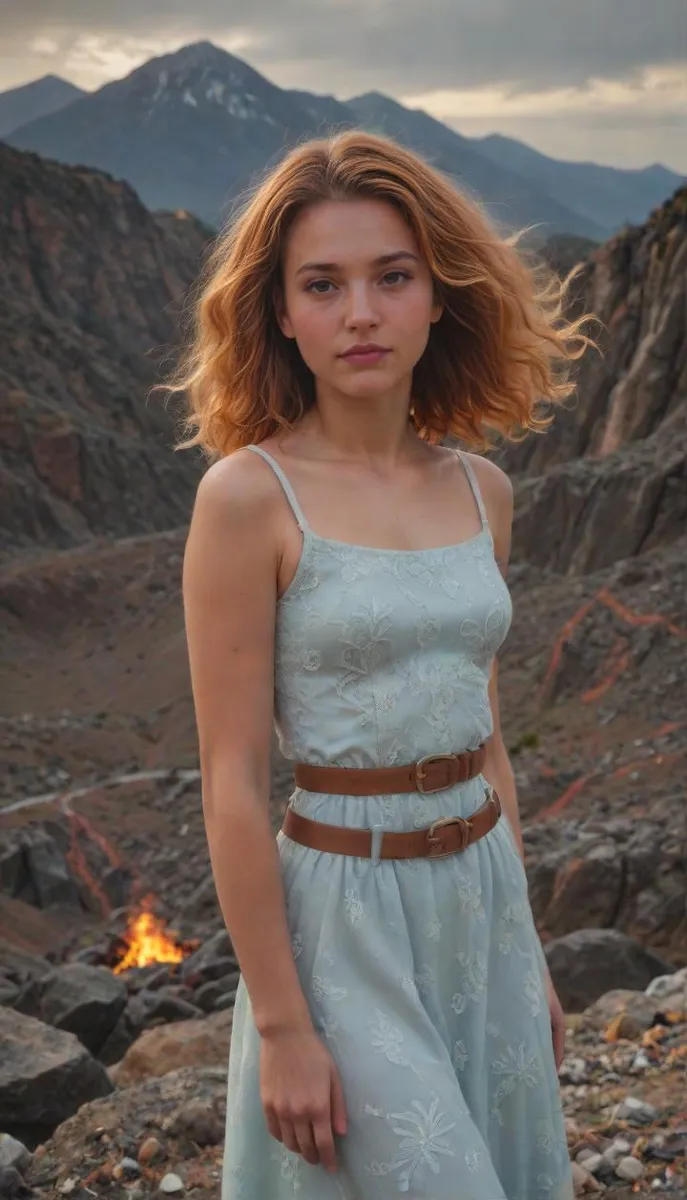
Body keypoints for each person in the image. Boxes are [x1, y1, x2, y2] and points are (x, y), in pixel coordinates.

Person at [177, 130, 594, 1199]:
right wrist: (281, 1023)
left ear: (437, 296)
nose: (359, 313)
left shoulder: (480, 492)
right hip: (341, 917)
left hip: (482, 897)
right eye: (323, 285)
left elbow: (485, 737)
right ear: (280, 310)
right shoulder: (247, 497)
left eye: (390, 277)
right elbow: (230, 782)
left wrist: (530, 953)